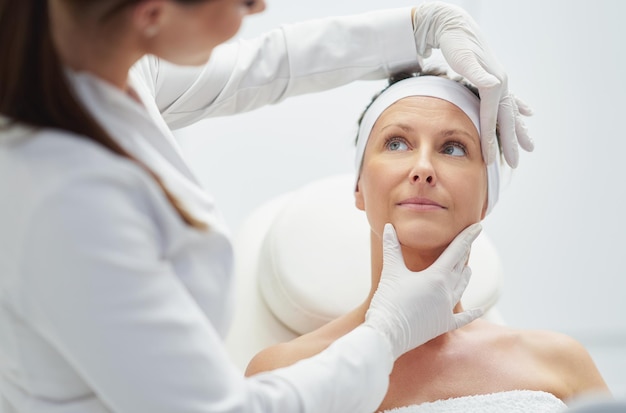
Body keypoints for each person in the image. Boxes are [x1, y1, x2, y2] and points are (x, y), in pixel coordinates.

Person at [0, 1, 530, 412]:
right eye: (241, 2)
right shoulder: (64, 202)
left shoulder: (117, 71)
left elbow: (268, 62)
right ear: (152, 15)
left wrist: (423, 25)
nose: (257, 11)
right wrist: (385, 334)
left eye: (455, 147)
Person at [245, 70, 611, 412]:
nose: (422, 168)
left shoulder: (560, 364)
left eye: (453, 148)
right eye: (397, 143)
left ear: (488, 197)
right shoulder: (283, 373)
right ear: (359, 186)